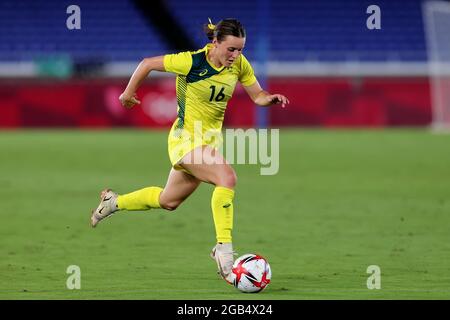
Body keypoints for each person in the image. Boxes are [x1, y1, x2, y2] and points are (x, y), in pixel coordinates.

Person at [90, 18, 289, 284]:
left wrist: (269, 98)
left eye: (240, 49)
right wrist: (127, 94)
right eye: (231, 49)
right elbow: (147, 63)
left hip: (207, 144)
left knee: (168, 201)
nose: (236, 55)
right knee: (227, 177)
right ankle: (223, 249)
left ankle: (113, 202)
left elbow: (257, 95)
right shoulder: (191, 62)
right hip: (185, 140)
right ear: (215, 42)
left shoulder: (239, 65)